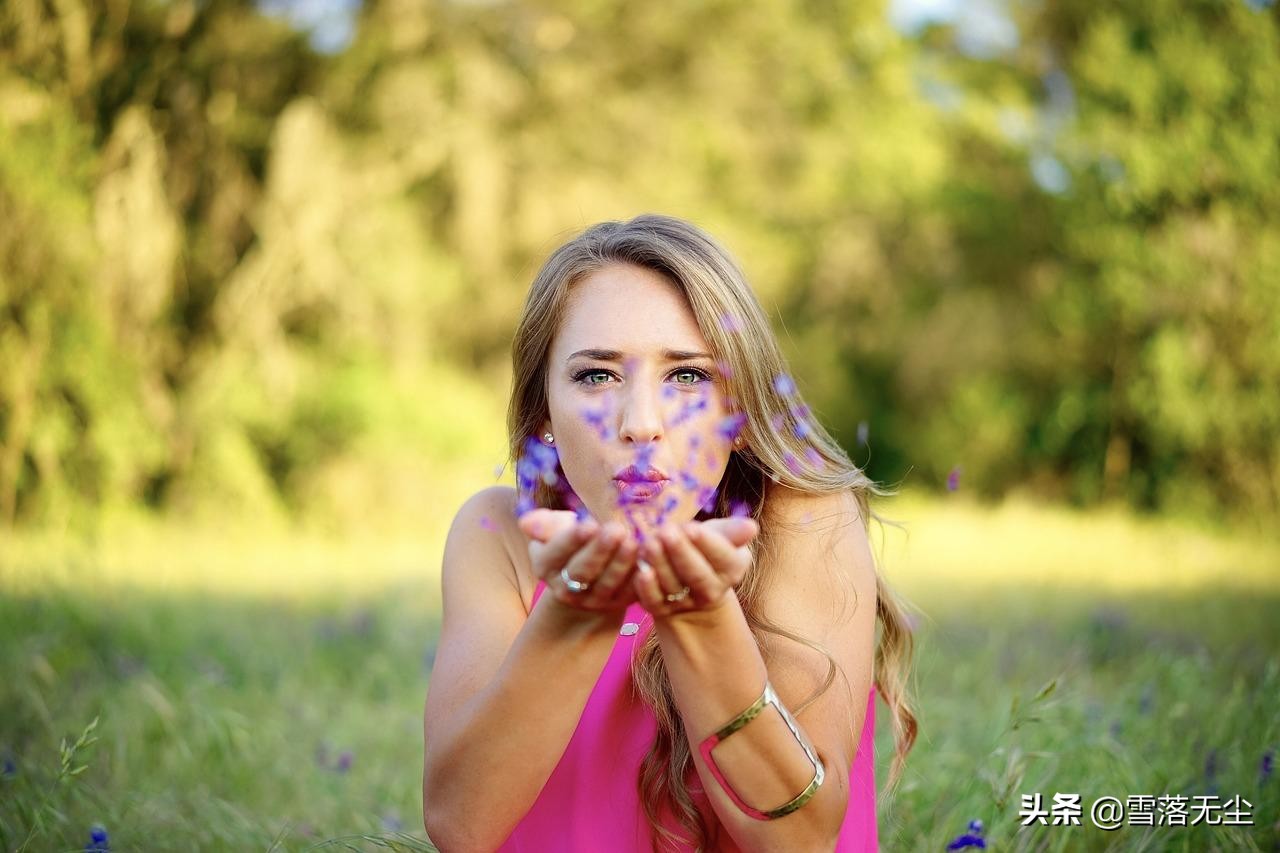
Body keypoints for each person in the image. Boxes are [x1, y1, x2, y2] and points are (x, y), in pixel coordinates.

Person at [422, 214, 918, 852]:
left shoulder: (802, 519)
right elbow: (460, 826)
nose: (641, 423)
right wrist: (576, 614)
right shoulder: (500, 537)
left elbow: (800, 838)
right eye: (597, 376)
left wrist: (701, 620)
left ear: (740, 411)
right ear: (543, 406)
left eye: (687, 376)